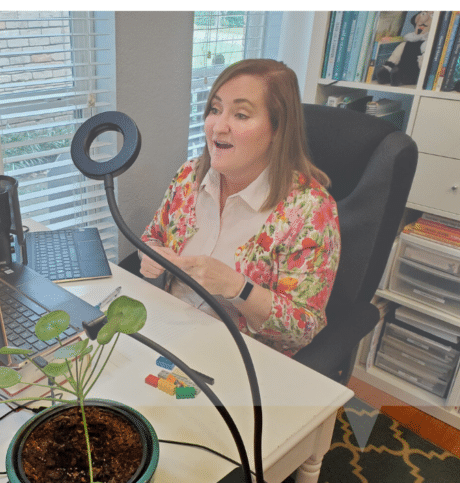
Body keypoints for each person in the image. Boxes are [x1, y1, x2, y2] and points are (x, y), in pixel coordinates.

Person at [140, 59, 340, 355]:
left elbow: (303, 329)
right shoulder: (189, 176)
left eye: (241, 115)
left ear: (277, 128)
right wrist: (152, 254)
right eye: (215, 110)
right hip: (167, 331)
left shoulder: (310, 209)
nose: (219, 127)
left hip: (241, 357)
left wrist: (237, 287)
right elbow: (152, 236)